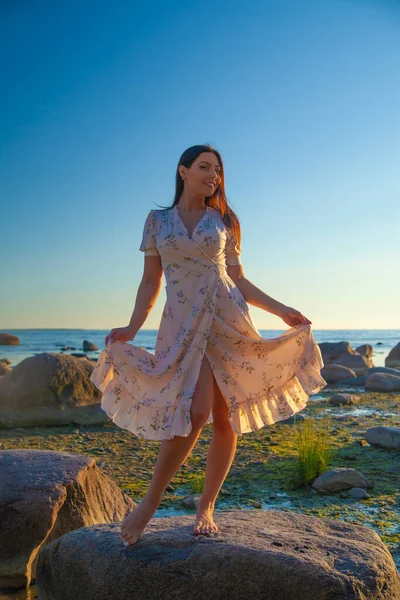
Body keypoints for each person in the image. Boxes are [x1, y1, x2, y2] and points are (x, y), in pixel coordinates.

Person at [90, 144, 327, 547]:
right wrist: (132, 326)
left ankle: (206, 505)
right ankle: (150, 501)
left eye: (217, 170)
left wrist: (282, 309)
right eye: (204, 167)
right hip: (181, 323)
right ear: (182, 171)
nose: (213, 175)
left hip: (226, 319)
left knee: (223, 416)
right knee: (195, 411)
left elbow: (240, 281)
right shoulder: (157, 221)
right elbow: (151, 281)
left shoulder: (224, 220)